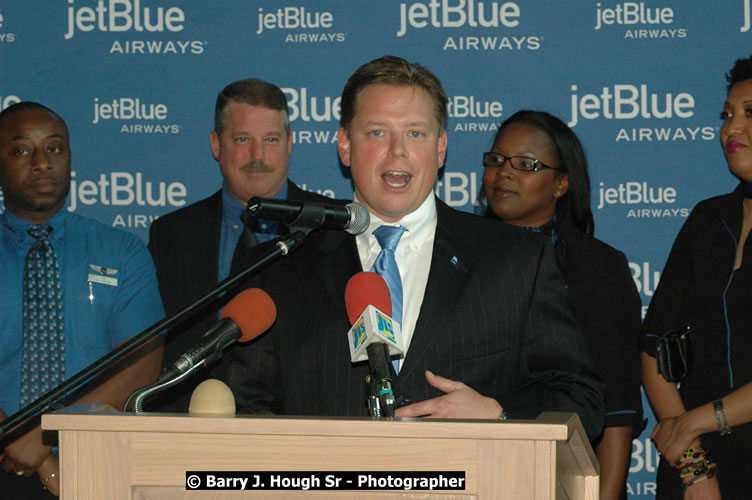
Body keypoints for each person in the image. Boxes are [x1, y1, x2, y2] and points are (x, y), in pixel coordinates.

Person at [217, 56, 605, 439]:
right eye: (377, 133)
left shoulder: (518, 261)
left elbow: (581, 399)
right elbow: (245, 408)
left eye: (416, 133)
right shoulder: (282, 266)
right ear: (345, 146)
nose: (397, 150)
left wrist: (498, 412)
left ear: (440, 148)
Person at [0, 102, 164, 497]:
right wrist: (16, 439)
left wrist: (46, 432)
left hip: (95, 462)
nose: (42, 163)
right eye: (22, 151)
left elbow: (141, 364)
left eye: (55, 148)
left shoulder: (120, 250)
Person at [479, 110, 642, 500]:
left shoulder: (597, 268)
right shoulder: (459, 256)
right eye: (496, 160)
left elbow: (616, 412)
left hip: (564, 478)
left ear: (561, 184)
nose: (504, 173)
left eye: (526, 164)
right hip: (477, 468)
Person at [148, 78, 337, 412]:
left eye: (272, 140)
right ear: (216, 144)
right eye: (242, 139)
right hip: (190, 429)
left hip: (299, 429)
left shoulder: (332, 229)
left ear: (290, 143)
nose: (258, 156)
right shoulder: (172, 235)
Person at [641, 54, 752, 499]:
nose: (732, 129)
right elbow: (655, 348)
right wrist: (694, 468)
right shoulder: (708, 219)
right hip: (693, 461)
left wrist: (695, 422)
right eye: (727, 115)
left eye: (750, 114)